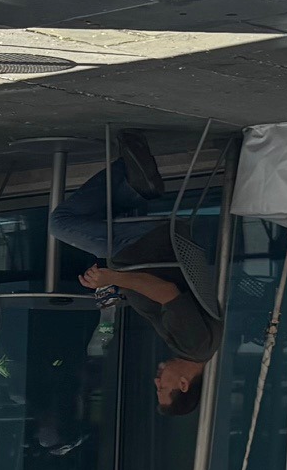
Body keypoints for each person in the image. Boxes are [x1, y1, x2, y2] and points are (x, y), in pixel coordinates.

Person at [50, 131, 223, 416]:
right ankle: (131, 179)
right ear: (183, 384)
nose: (156, 381)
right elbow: (167, 291)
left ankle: (135, 184)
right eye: (161, 388)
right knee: (61, 224)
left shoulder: (194, 347)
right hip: (147, 246)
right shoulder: (195, 344)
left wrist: (116, 289)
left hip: (141, 253)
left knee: (84, 225)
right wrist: (114, 278)